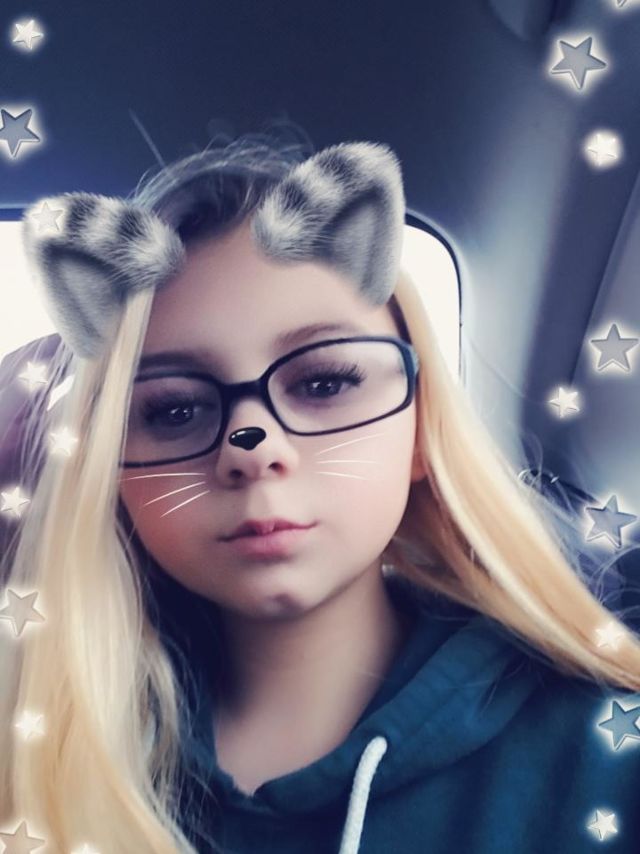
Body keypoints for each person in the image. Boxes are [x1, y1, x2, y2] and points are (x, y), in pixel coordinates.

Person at [2, 123, 640, 854]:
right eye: (174, 410)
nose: (252, 449)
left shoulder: (605, 758)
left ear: (421, 429)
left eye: (325, 382)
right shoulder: (37, 762)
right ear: (110, 475)